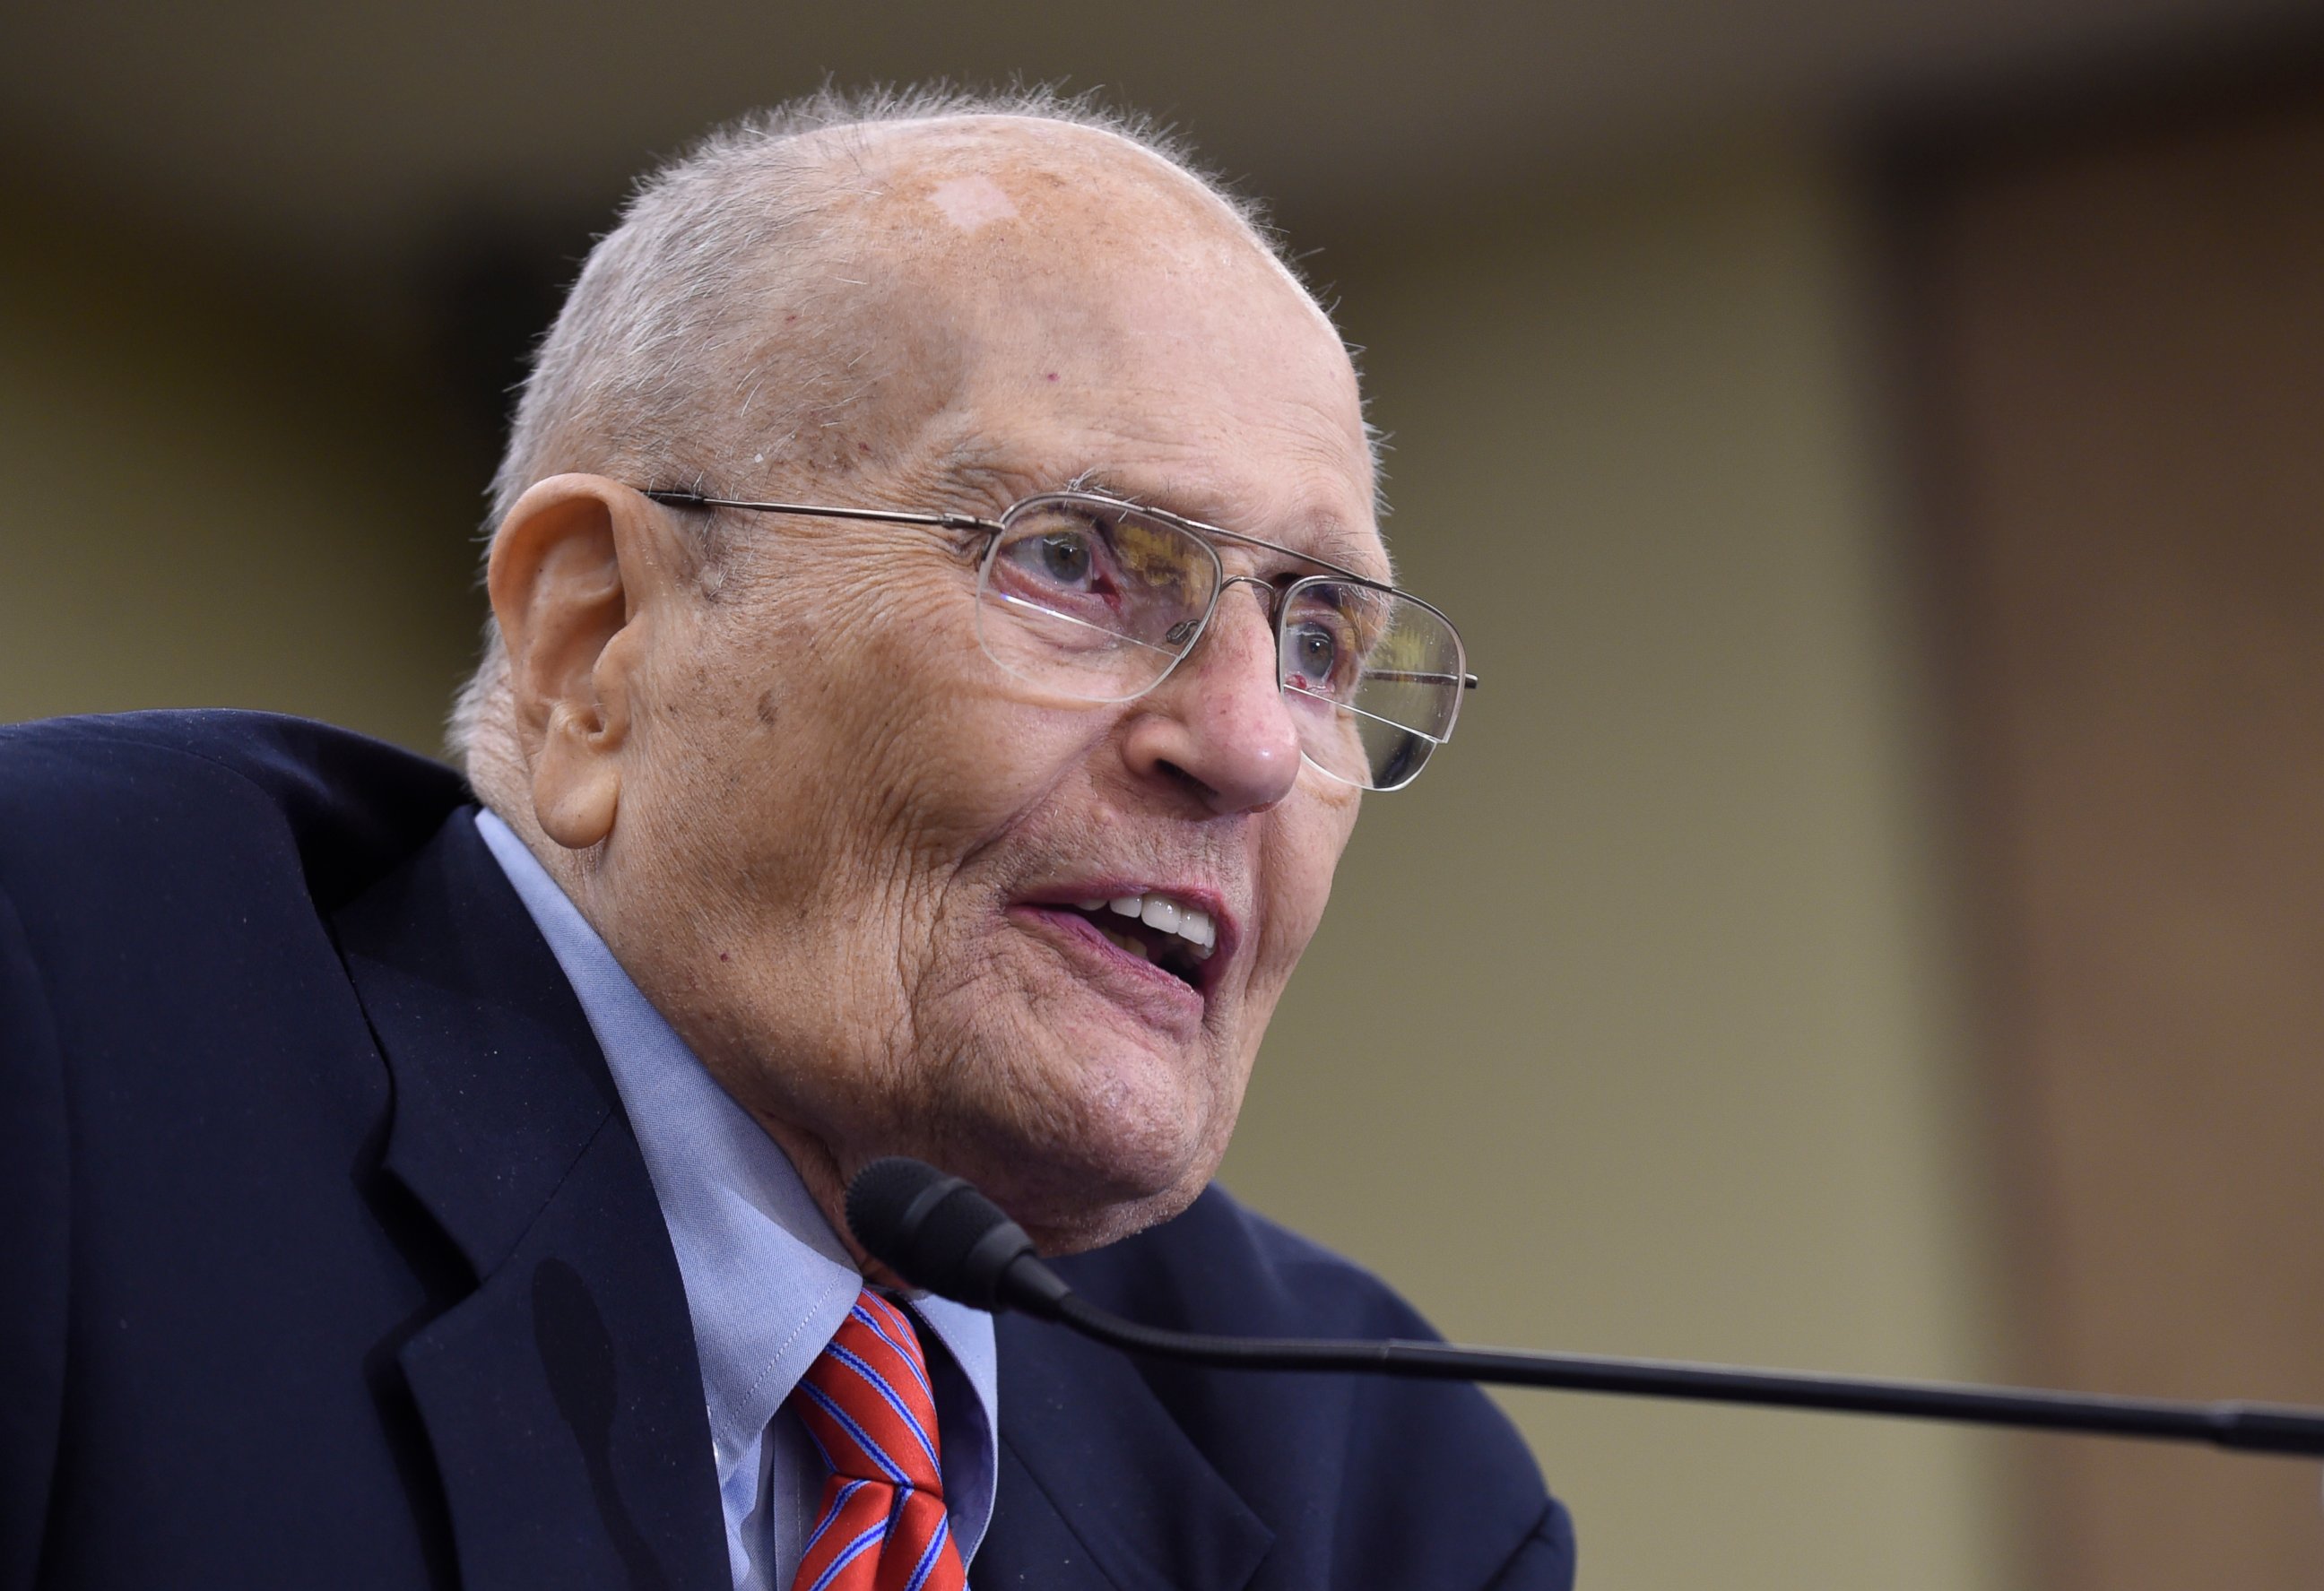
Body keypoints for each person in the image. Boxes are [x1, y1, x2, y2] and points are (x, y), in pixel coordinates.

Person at [0, 89, 1574, 1590]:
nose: (1244, 745)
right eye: (1077, 562)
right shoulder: (68, 1028)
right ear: (596, 641)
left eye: (1319, 646)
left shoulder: (1379, 1486)